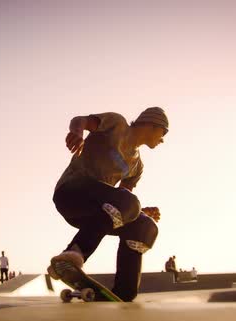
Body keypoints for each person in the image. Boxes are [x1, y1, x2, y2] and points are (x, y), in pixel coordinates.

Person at [47, 108, 168, 302]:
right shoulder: (117, 125)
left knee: (145, 226)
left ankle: (123, 291)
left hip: (94, 214)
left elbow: (124, 199)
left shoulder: (137, 167)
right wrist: (77, 132)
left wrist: (139, 212)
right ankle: (74, 254)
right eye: (164, 132)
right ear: (153, 124)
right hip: (71, 192)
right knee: (130, 204)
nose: (163, 139)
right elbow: (80, 120)